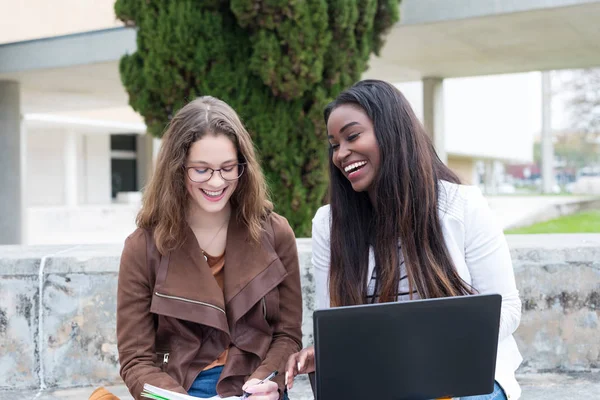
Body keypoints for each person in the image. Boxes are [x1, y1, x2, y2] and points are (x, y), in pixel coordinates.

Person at [284, 80, 523, 400]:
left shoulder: (462, 206)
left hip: (460, 376)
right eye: (334, 144)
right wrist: (323, 352)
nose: (341, 153)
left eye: (352, 136)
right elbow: (334, 325)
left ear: (391, 131)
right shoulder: (329, 225)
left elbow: (507, 307)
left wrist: (427, 346)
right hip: (377, 379)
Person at [117, 96, 302, 400]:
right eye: (201, 170)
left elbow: (287, 335)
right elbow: (136, 360)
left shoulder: (275, 232)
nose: (217, 182)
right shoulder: (142, 247)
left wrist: (267, 382)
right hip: (181, 389)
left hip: (254, 386)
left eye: (228, 168)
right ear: (178, 169)